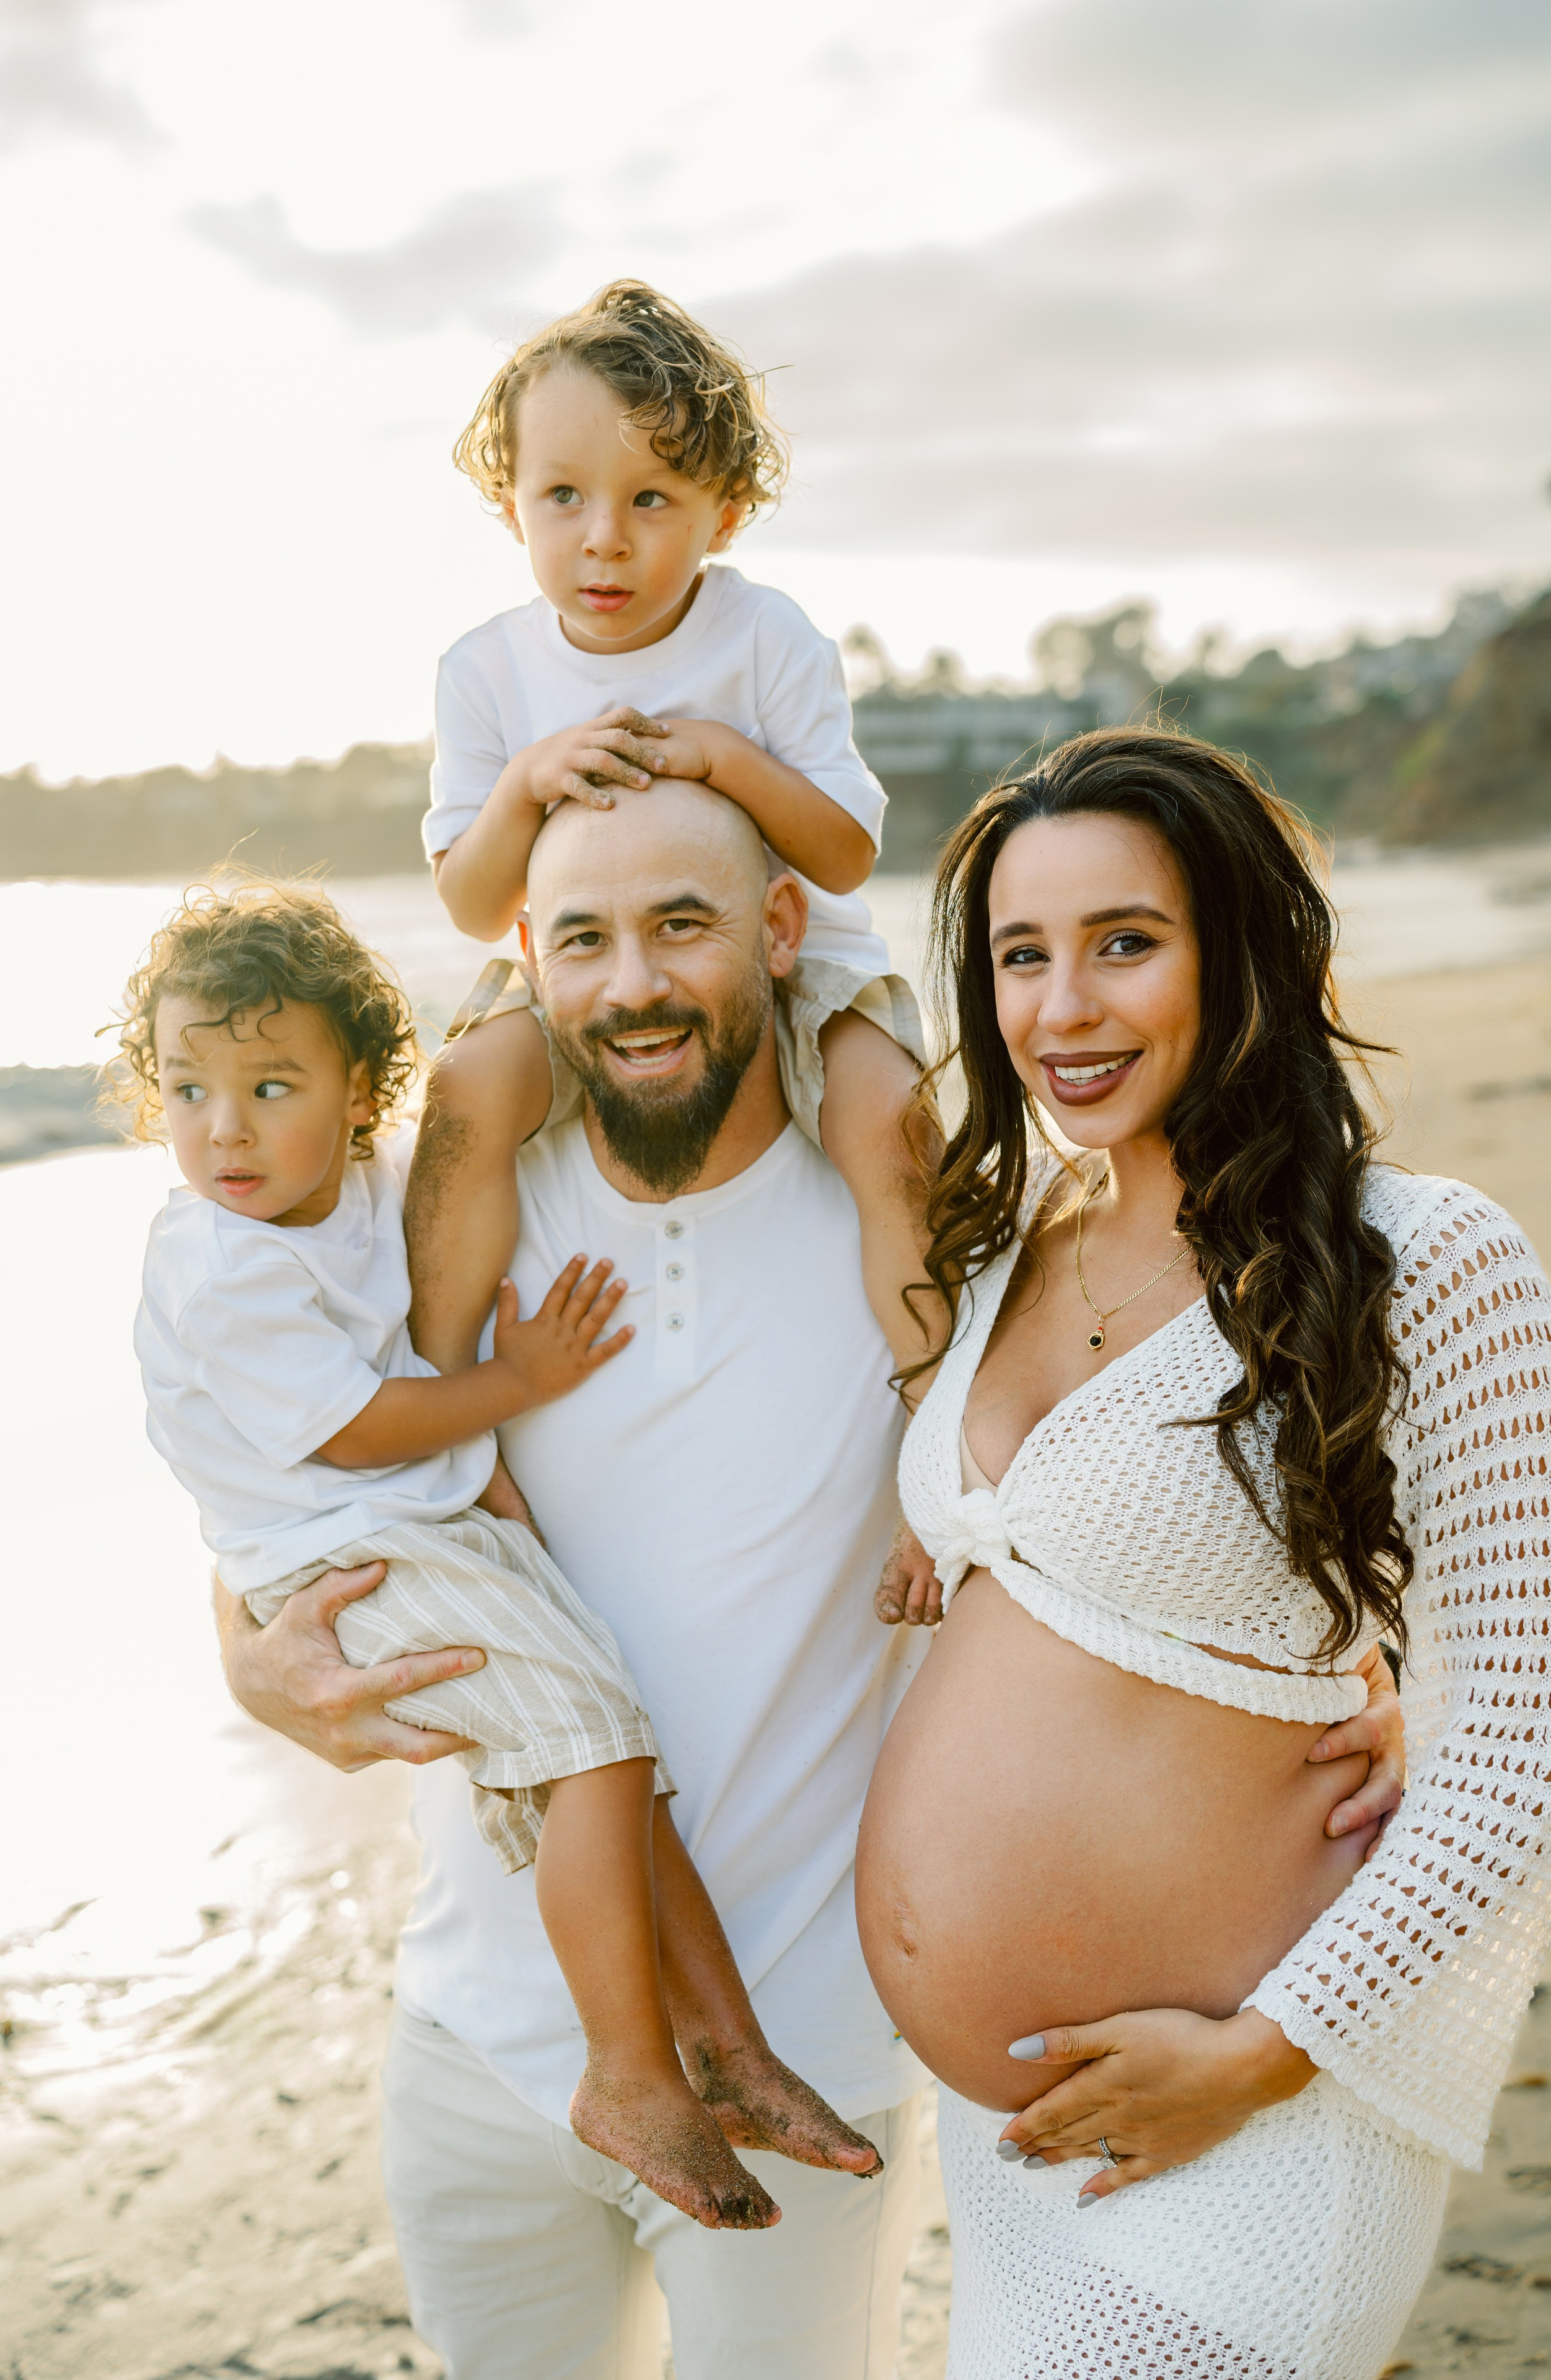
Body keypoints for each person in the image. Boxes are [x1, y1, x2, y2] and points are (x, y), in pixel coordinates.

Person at [214, 780, 1405, 2380]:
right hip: (472, 2039)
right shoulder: (439, 1233)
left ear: (783, 934)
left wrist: (1363, 1698)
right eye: (584, 939)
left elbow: (1144, 1521)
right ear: (527, 959)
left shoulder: (945, 1249)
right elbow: (267, 1477)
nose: (633, 983)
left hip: (808, 2043)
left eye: (683, 925)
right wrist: (243, 1656)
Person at [861, 725, 1551, 2379]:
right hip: (1021, 2148)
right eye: (1021, 956)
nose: (1064, 1009)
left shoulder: (1425, 1255)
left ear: (1245, 949)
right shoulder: (1018, 1246)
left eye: (1125, 944)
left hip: (1258, 2109)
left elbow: (1520, 1737)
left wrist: (1267, 2051)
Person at [120, 881, 881, 2235]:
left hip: (408, 1528)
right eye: (186, 1091)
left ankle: (727, 2050)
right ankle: (630, 2072)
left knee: (617, 1770)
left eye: (269, 1086)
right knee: (596, 1747)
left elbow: (489, 1060)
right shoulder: (221, 1263)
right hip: (344, 1549)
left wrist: (560, 964)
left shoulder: (366, 1182)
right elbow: (354, 1432)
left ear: (360, 1095)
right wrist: (516, 1376)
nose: (223, 1131)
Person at [405, 276, 924, 1377]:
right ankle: (448, 1393)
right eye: (562, 497)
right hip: (586, 975)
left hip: (796, 963)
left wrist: (727, 761)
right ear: (511, 506)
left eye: (652, 500)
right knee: (461, 1096)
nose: (604, 540)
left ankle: (934, 1399)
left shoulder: (766, 637)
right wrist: (526, 788)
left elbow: (845, 854)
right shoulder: (487, 672)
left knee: (890, 1128)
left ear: (723, 512)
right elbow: (471, 905)